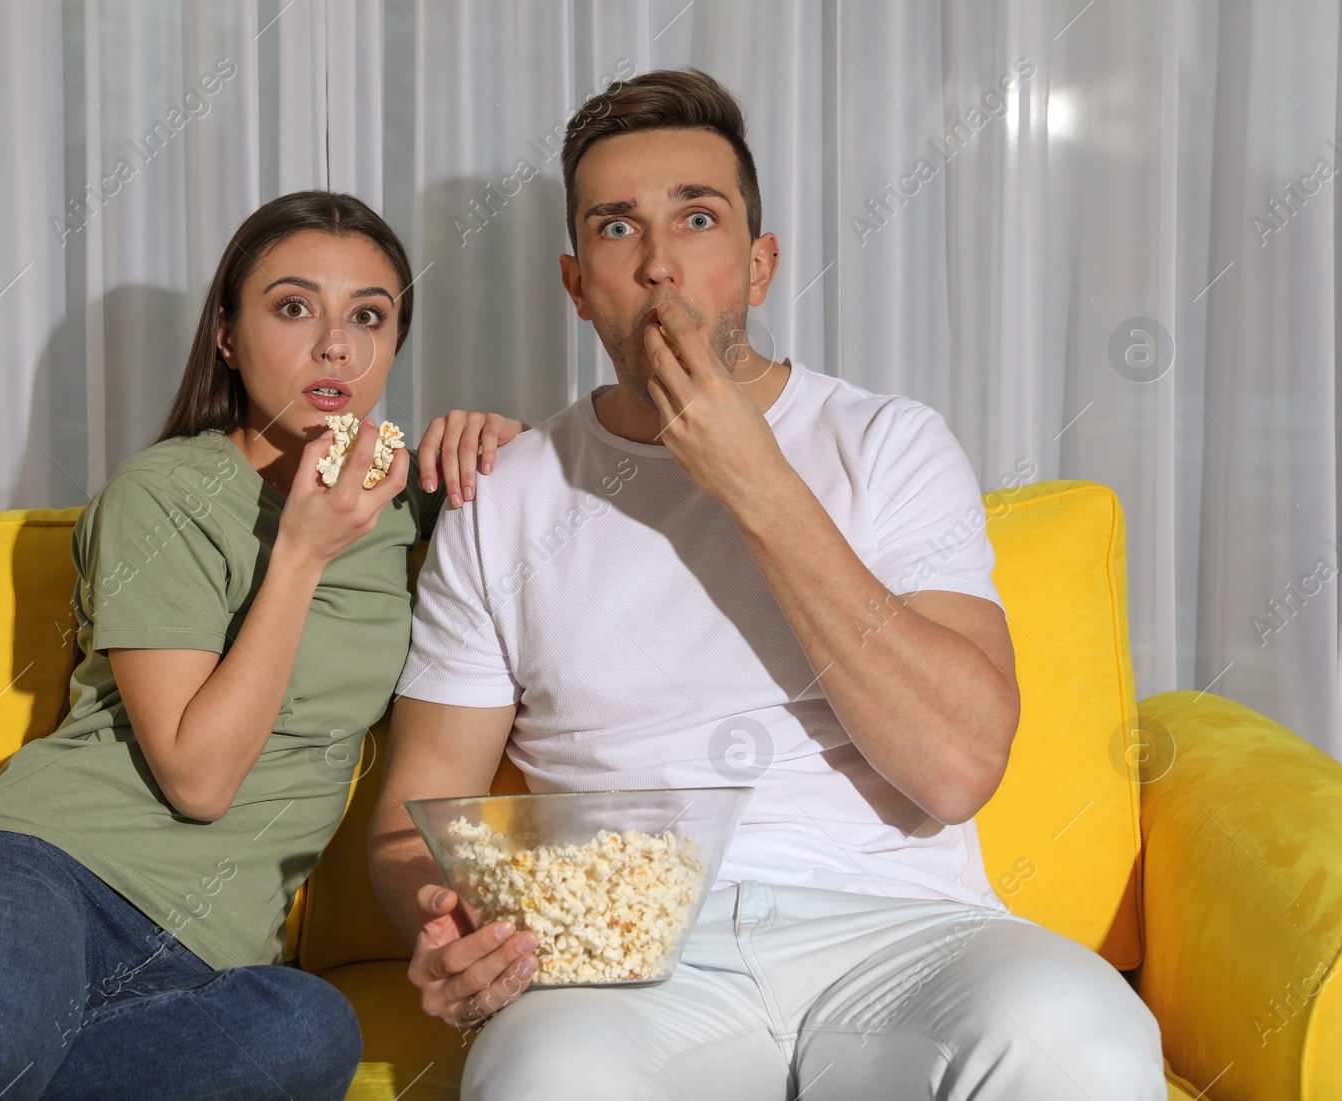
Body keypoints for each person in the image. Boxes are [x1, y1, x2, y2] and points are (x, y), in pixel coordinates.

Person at [366, 70, 1167, 1100]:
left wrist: (753, 479)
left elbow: (958, 766)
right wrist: (447, 921)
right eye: (617, 229)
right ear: (576, 284)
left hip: (903, 937)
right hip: (622, 964)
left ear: (757, 262)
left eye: (696, 218)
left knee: (1077, 1029)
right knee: (539, 1080)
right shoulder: (503, 495)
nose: (659, 264)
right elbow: (412, 815)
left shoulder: (889, 444)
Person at [0, 190, 525, 1101]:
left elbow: (570, 502)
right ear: (227, 334)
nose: (335, 346)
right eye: (293, 306)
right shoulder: (166, 492)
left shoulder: (402, 499)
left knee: (311, 1027)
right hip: (50, 873)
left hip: (205, 958)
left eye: (369, 315)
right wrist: (300, 553)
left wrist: (503, 442)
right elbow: (199, 777)